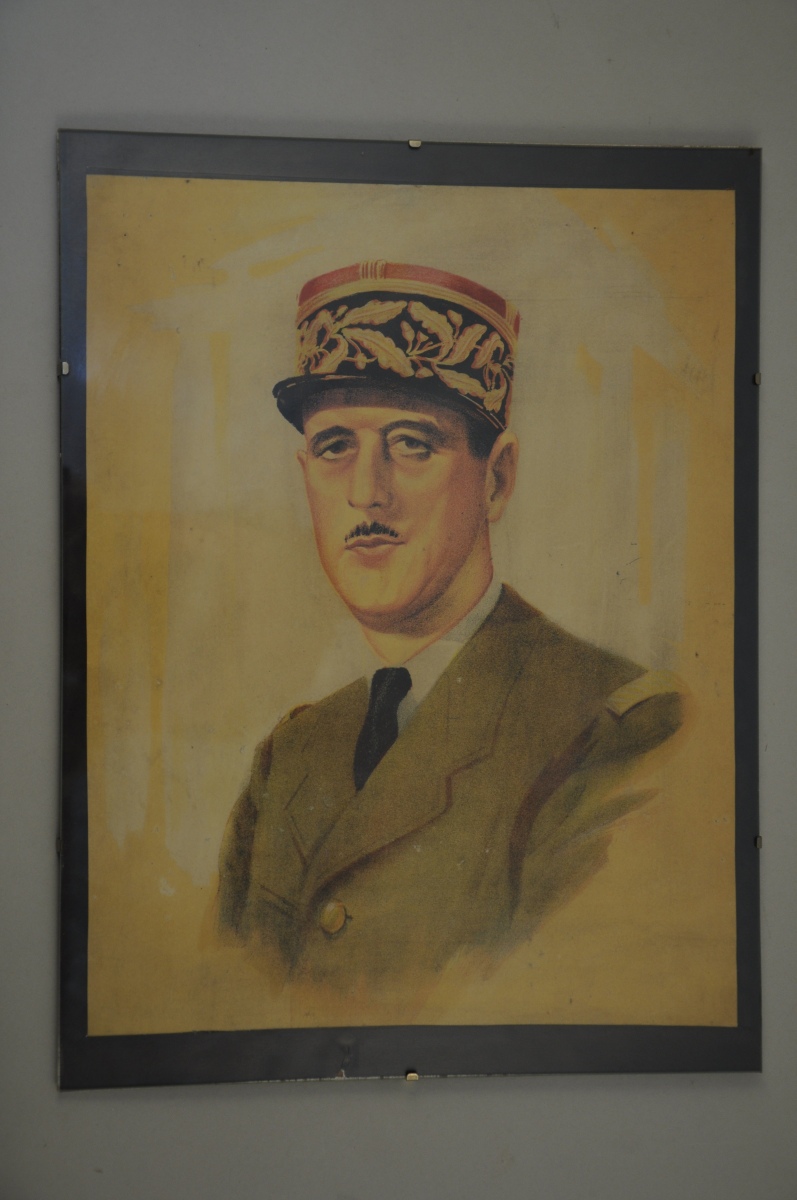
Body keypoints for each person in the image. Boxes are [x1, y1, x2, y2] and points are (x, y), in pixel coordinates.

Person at [216, 261, 685, 994]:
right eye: (335, 446)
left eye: (412, 443)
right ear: (305, 471)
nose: (366, 493)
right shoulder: (291, 757)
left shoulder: (615, 731)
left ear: (496, 479)